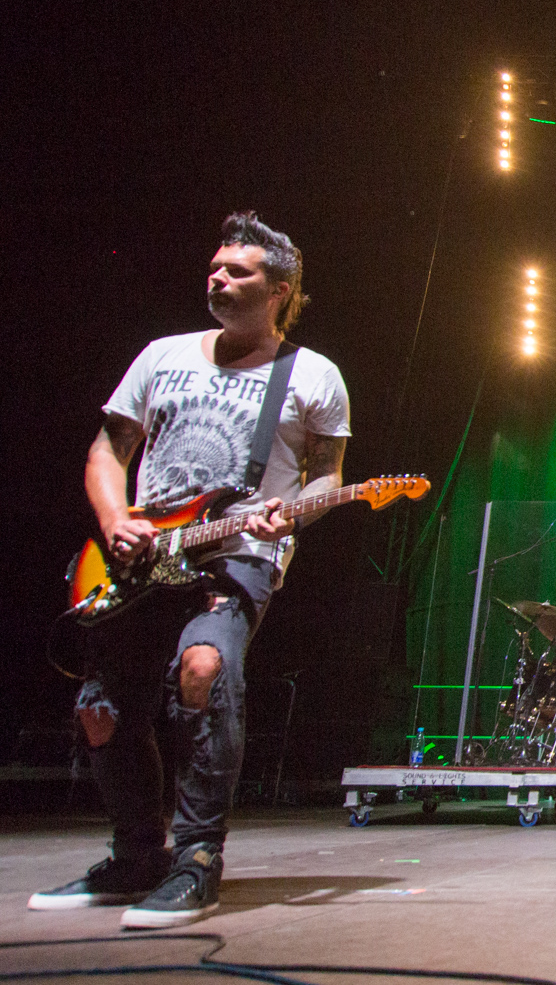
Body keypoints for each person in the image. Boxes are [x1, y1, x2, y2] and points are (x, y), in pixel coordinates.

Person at [30, 212, 350, 927]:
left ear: (280, 288)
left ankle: (198, 859)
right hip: (144, 558)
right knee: (100, 706)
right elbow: (107, 452)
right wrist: (115, 520)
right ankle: (137, 854)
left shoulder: (312, 376)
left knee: (203, 668)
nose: (218, 278)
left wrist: (291, 512)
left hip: (239, 554)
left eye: (238, 271)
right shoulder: (161, 356)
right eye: (215, 267)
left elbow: (328, 478)